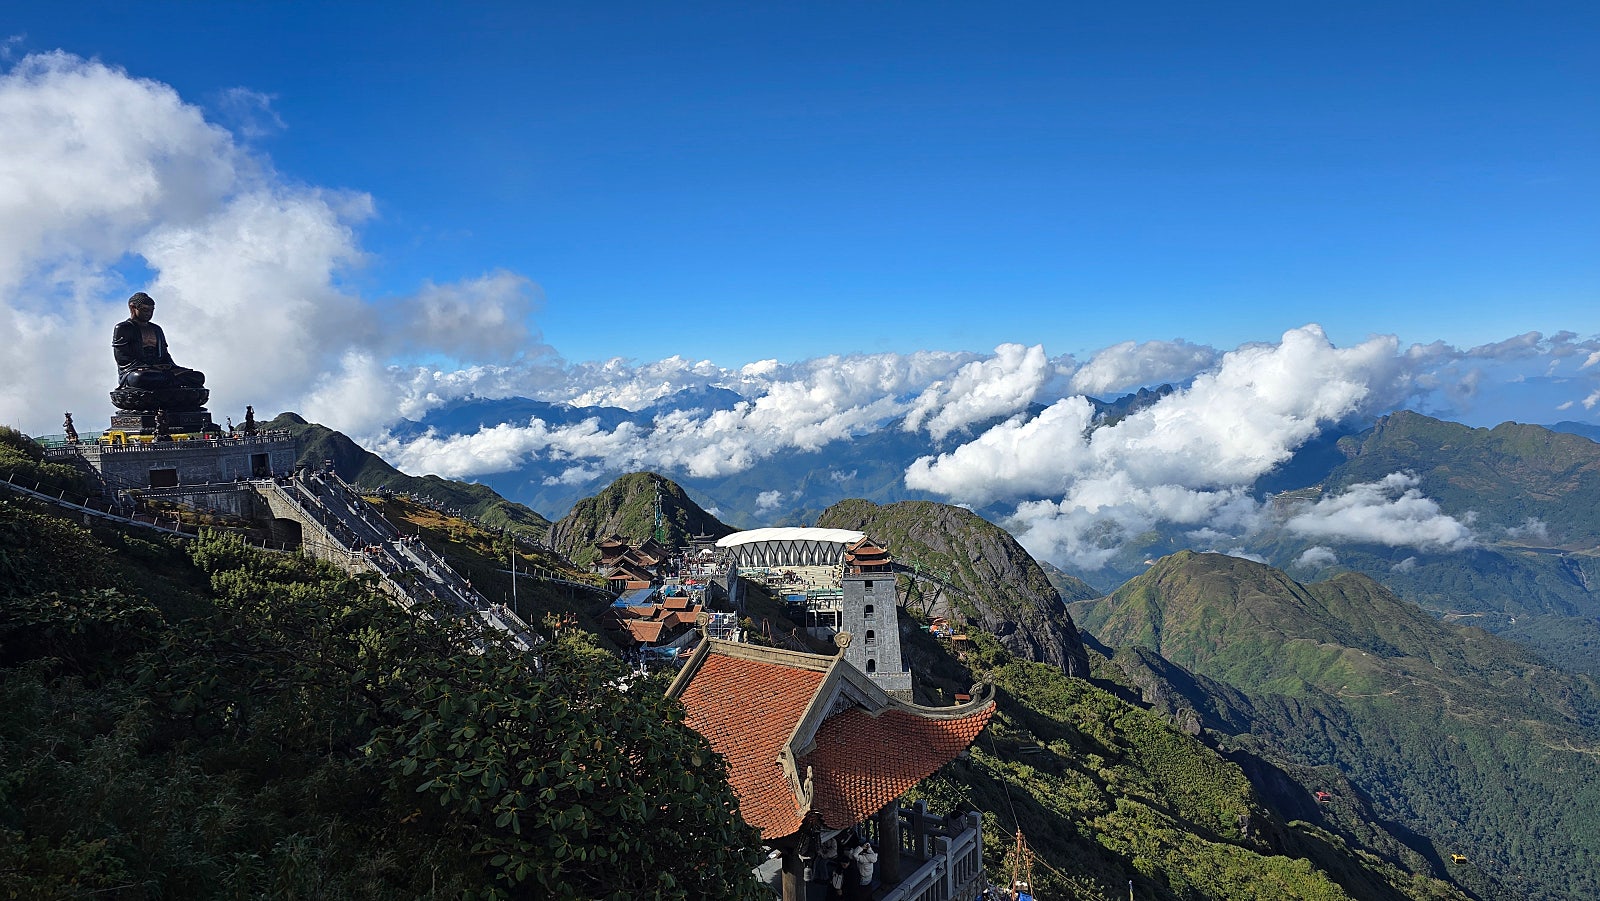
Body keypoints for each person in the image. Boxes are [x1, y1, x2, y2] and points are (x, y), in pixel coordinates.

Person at [111, 293, 205, 390]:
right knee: (139, 378)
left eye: (151, 310)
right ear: (132, 308)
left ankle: (167, 381)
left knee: (198, 376)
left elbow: (165, 355)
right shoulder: (124, 328)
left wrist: (169, 366)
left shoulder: (156, 329)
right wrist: (147, 367)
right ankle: (171, 382)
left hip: (160, 370)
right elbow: (122, 358)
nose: (148, 313)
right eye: (145, 310)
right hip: (137, 371)